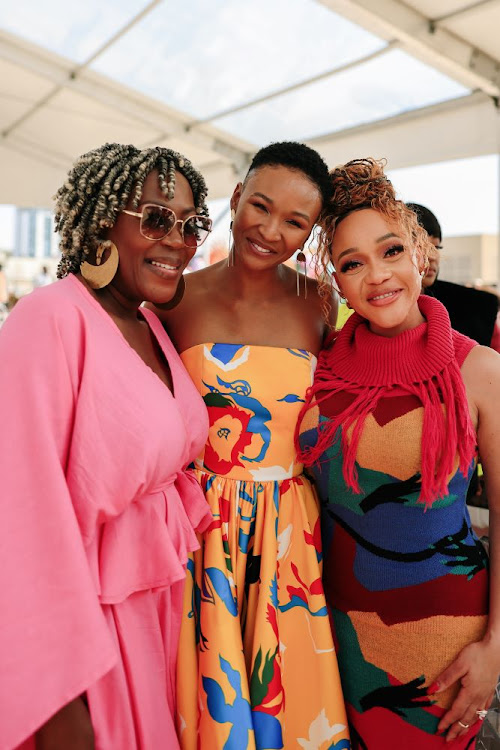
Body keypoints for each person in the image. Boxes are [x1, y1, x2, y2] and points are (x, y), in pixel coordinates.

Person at [0, 143, 214, 749]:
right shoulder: (49, 319)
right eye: (155, 219)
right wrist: (58, 702)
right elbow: (20, 518)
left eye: (192, 225)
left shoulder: (149, 325)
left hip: (160, 619)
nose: (179, 240)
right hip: (88, 635)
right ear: (102, 220)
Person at [151, 142, 350, 749]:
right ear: (236, 198)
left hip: (290, 535)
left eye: (295, 222)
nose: (270, 231)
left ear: (311, 231)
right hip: (197, 531)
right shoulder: (174, 298)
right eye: (259, 207)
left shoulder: (323, 304)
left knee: (284, 703)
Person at [297, 158, 500, 749]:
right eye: (352, 264)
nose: (377, 276)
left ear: (419, 255)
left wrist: (495, 649)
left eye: (390, 252)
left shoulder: (480, 370)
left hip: (443, 640)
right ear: (336, 280)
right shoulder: (320, 366)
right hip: (326, 631)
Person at [407, 203, 499, 347]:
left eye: (436, 247)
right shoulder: (372, 312)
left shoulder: (479, 307)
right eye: (421, 246)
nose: (432, 256)